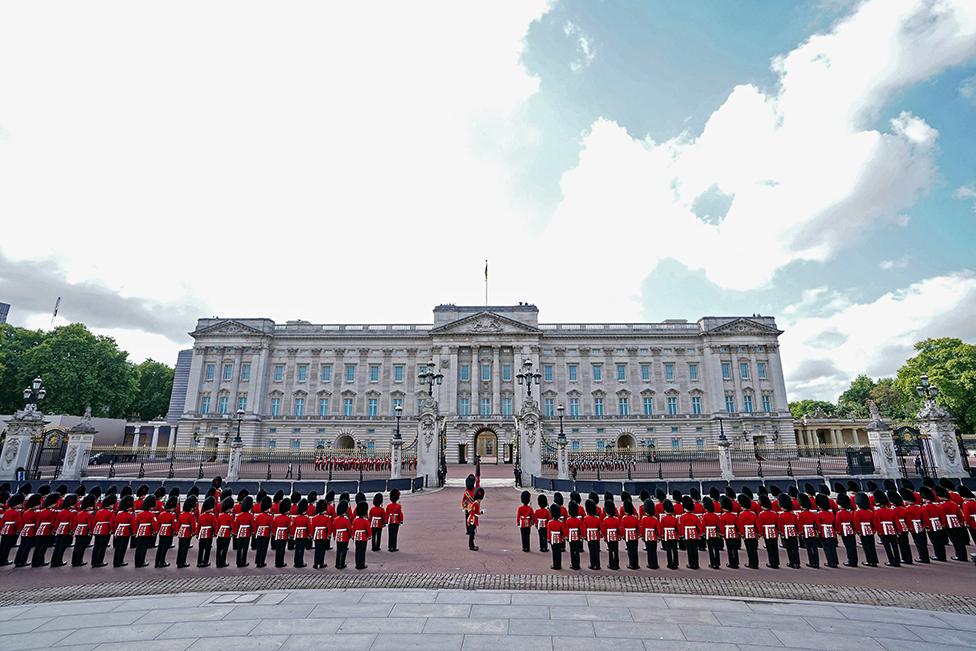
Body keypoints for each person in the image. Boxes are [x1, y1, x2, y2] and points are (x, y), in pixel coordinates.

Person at [873, 490, 900, 567]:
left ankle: (891, 561)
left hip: (883, 530)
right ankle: (897, 561)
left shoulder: (877, 512)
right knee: (895, 546)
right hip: (892, 530)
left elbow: (877, 523)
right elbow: (896, 522)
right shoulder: (891, 511)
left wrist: (879, 531)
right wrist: (898, 530)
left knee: (887, 547)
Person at [920, 486, 947, 562]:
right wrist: (943, 524)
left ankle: (938, 556)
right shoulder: (937, 505)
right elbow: (942, 516)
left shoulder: (925, 507)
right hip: (938, 524)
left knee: (935, 542)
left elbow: (926, 517)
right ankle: (942, 556)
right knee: (940, 542)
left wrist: (927, 526)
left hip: (931, 525)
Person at [853, 492, 879, 567]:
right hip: (870, 530)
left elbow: (857, 523)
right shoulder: (870, 512)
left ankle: (869, 560)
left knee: (866, 546)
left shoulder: (857, 512)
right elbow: (873, 522)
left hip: (863, 530)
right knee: (872, 546)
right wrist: (874, 529)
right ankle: (874, 561)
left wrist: (858, 531)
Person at [90, 494, 115, 568]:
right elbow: (111, 523)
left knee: (96, 546)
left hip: (97, 530)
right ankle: (99, 561)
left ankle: (94, 561)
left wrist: (93, 529)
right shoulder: (110, 513)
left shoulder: (99, 511)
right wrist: (112, 530)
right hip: (105, 530)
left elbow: (94, 521)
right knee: (102, 547)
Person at [133, 495, 157, 568]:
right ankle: (142, 561)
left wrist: (136, 531)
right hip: (147, 532)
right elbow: (154, 524)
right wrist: (154, 531)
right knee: (144, 548)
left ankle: (137, 562)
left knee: (138, 547)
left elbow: (135, 523)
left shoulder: (139, 514)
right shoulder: (151, 514)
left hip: (140, 532)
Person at [815, 494, 838, 568]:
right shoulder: (831, 514)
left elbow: (818, 525)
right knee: (832, 547)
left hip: (824, 532)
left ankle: (830, 562)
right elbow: (835, 523)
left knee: (827, 548)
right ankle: (835, 561)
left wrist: (818, 532)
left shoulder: (819, 514)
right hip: (831, 531)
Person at [797, 493, 820, 569]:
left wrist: (800, 532)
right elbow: (817, 524)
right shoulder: (813, 514)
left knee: (809, 548)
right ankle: (816, 562)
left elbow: (800, 524)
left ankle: (811, 562)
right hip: (812, 531)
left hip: (806, 532)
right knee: (814, 547)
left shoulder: (801, 514)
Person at [736, 494, 759, 569]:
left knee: (749, 549)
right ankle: (755, 563)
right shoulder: (753, 514)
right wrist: (757, 533)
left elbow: (741, 526)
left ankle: (751, 563)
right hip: (753, 532)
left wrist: (742, 534)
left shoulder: (741, 514)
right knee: (754, 549)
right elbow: (757, 524)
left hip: (746, 533)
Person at [679, 496, 702, 569]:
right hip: (694, 534)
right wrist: (699, 534)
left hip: (687, 534)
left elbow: (681, 527)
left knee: (689, 550)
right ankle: (696, 563)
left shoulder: (682, 517)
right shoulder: (695, 517)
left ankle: (691, 564)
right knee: (695, 549)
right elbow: (699, 527)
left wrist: (682, 535)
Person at [155, 496, 178, 568]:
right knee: (165, 548)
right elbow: (174, 524)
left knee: (160, 547)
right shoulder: (172, 515)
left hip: (162, 532)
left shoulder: (161, 514)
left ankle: (157, 562)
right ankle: (162, 561)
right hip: (168, 532)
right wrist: (175, 531)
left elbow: (158, 524)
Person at [757, 494, 780, 569]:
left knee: (770, 548)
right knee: (775, 547)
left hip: (767, 532)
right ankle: (776, 562)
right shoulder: (774, 513)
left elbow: (760, 526)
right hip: (774, 531)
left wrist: (760, 533)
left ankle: (772, 562)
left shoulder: (761, 514)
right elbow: (778, 524)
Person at [176, 494, 197, 569]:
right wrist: (194, 532)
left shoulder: (182, 514)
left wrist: (177, 531)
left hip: (181, 532)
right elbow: (193, 525)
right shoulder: (191, 515)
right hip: (187, 532)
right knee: (185, 548)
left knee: (180, 548)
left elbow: (178, 524)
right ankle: (182, 562)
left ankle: (178, 562)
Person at [233, 496, 254, 568]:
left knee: (239, 548)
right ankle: (243, 561)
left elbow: (236, 525)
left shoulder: (239, 516)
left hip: (239, 533)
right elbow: (252, 525)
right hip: (247, 533)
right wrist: (253, 531)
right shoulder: (250, 516)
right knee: (245, 549)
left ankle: (238, 562)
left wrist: (235, 533)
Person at [701, 496, 722, 569]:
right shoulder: (716, 516)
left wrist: (702, 533)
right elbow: (719, 525)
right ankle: (717, 563)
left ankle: (713, 563)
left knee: (710, 549)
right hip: (715, 533)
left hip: (708, 533)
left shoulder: (705, 516)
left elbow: (703, 525)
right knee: (716, 549)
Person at [719, 496, 739, 569]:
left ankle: (731, 562)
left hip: (727, 533)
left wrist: (721, 533)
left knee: (730, 549)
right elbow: (738, 525)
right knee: (735, 548)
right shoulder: (734, 516)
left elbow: (721, 527)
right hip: (734, 532)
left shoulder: (722, 516)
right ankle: (736, 562)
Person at [215, 496, 235, 568]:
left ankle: (218, 562)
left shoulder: (220, 516)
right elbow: (233, 526)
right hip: (226, 534)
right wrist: (234, 532)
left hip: (220, 533)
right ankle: (222, 562)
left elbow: (217, 525)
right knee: (224, 549)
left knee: (219, 548)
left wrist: (216, 532)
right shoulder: (230, 516)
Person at [659, 499, 679, 570]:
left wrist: (661, 535)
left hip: (667, 535)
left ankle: (670, 563)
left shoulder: (663, 519)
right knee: (675, 549)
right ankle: (676, 563)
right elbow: (677, 528)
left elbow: (661, 528)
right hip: (674, 535)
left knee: (669, 550)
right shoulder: (675, 519)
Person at [620, 500, 640, 570]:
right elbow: (638, 527)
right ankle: (636, 564)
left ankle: (631, 564)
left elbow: (622, 528)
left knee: (630, 550)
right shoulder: (635, 518)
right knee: (635, 550)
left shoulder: (624, 518)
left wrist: (622, 535)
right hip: (635, 535)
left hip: (628, 535)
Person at [582, 499, 603, 570]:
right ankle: (597, 564)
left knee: (591, 551)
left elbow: (584, 528)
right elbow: (601, 527)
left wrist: (584, 536)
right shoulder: (597, 518)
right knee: (596, 550)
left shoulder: (585, 518)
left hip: (589, 536)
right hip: (596, 536)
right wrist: (601, 534)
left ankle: (592, 564)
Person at [639, 499, 659, 570]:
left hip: (647, 536)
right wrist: (658, 536)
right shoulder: (655, 519)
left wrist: (643, 536)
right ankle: (655, 564)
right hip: (654, 536)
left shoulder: (644, 519)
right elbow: (658, 529)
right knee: (654, 550)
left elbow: (642, 529)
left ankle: (650, 563)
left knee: (649, 551)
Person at [272, 497, 292, 569]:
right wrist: (290, 534)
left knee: (278, 549)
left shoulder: (276, 518)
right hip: (284, 534)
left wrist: (274, 533)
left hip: (277, 534)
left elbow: (274, 526)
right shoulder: (288, 518)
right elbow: (290, 527)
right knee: (282, 549)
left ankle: (277, 562)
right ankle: (281, 562)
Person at [351, 500, 372, 568]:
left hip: (357, 537)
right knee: (362, 551)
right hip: (363, 537)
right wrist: (369, 536)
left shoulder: (355, 520)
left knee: (357, 550)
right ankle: (362, 564)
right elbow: (368, 529)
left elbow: (353, 529)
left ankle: (357, 564)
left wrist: (353, 535)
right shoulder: (365, 521)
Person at [602, 501, 621, 570]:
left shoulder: (605, 520)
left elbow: (604, 530)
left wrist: (604, 537)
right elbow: (619, 528)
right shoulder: (616, 519)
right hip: (615, 536)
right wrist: (619, 535)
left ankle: (611, 564)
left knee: (610, 551)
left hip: (609, 536)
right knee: (616, 551)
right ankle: (616, 564)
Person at [332, 500, 352, 569]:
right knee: (343, 551)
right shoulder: (346, 519)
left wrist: (334, 535)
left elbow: (334, 528)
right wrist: (350, 535)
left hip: (338, 536)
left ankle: (337, 564)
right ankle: (342, 563)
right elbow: (349, 528)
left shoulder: (335, 519)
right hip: (345, 536)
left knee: (338, 550)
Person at [291, 498, 310, 568]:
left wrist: (292, 534)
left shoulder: (296, 518)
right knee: (301, 549)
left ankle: (296, 562)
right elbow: (309, 527)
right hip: (303, 534)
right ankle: (300, 562)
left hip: (297, 534)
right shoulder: (306, 518)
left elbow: (293, 527)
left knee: (297, 549)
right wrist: (309, 534)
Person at [311, 499, 330, 569]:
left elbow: (312, 528)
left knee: (317, 549)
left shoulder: (314, 518)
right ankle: (321, 563)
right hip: (324, 535)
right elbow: (328, 528)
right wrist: (328, 535)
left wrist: (312, 535)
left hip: (316, 535)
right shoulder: (326, 518)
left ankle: (315, 563)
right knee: (322, 550)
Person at [566, 500, 583, 570]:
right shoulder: (578, 520)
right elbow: (581, 529)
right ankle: (577, 564)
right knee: (577, 550)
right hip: (577, 536)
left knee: (572, 551)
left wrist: (566, 536)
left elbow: (566, 529)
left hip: (571, 537)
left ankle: (573, 564)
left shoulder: (568, 520)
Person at [546, 503, 565, 570]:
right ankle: (559, 565)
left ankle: (555, 565)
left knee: (554, 552)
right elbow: (563, 531)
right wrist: (563, 537)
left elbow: (548, 532)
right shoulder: (560, 522)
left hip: (552, 539)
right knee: (559, 552)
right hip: (559, 538)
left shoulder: (550, 522)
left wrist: (548, 539)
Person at [466, 487, 484, 551]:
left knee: (472, 534)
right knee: (471, 534)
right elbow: (473, 512)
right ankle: (471, 546)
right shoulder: (475, 503)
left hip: (473, 519)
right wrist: (478, 514)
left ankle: (472, 545)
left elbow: (476, 512)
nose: (480, 500)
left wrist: (480, 512)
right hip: (472, 520)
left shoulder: (477, 503)